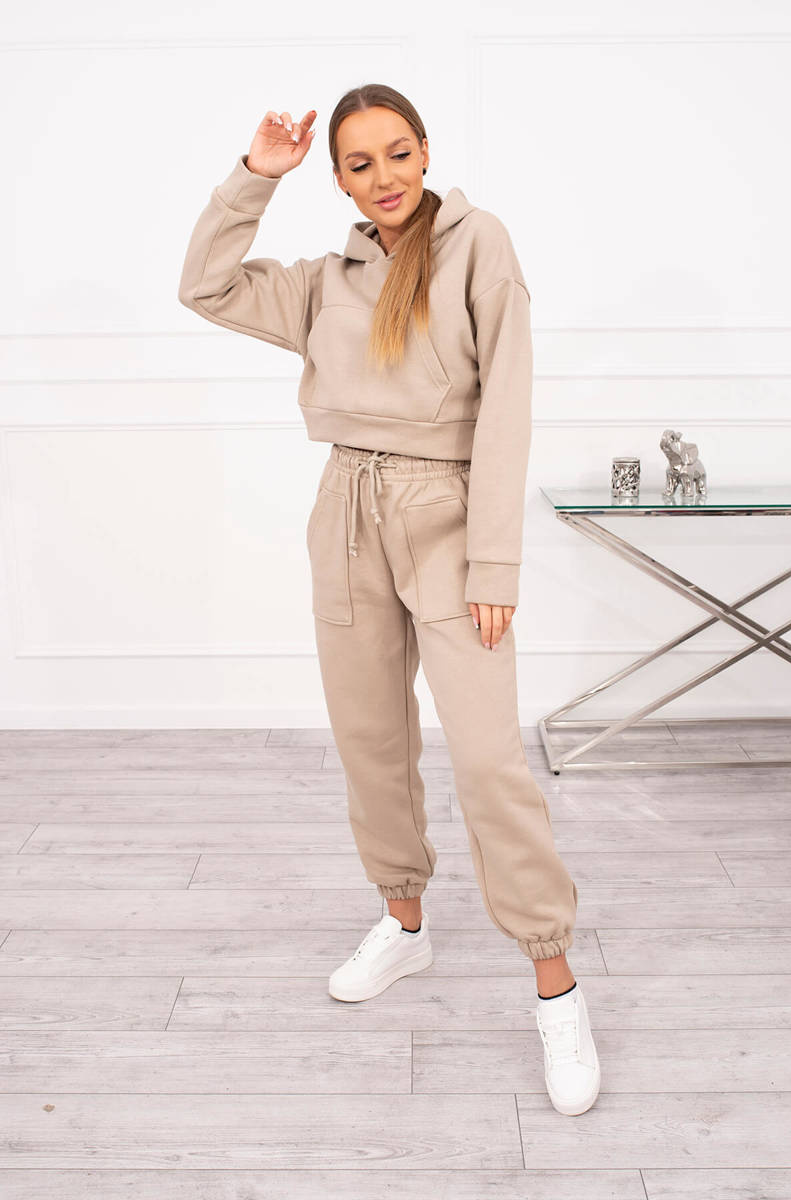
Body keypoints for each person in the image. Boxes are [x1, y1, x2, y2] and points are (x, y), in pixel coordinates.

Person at [178, 83, 600, 1116]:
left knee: (488, 760)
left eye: (398, 153)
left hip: (448, 516)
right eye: (360, 164)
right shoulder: (325, 281)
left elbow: (507, 404)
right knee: (370, 742)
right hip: (347, 512)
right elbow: (205, 286)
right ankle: (404, 926)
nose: (386, 177)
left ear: (425, 151)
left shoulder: (479, 244)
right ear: (337, 180)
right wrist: (254, 178)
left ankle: (555, 986)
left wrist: (493, 563)